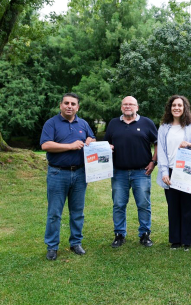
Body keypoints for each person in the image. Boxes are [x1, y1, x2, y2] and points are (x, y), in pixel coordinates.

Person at [40, 93, 96, 261]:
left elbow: (91, 138)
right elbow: (45, 145)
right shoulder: (52, 123)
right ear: (61, 105)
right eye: (66, 103)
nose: (69, 106)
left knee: (77, 211)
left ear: (77, 107)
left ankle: (76, 242)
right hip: (58, 173)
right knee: (54, 213)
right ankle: (52, 246)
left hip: (80, 173)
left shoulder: (83, 123)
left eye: (73, 103)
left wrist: (90, 140)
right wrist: (70, 146)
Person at [103, 96, 158, 248]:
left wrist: (153, 162)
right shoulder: (113, 123)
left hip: (141, 172)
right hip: (119, 172)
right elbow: (106, 143)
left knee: (143, 204)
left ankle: (145, 234)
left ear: (137, 107)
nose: (128, 106)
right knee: (119, 204)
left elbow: (157, 143)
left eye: (131, 104)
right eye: (125, 104)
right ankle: (119, 234)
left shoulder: (147, 123)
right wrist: (107, 148)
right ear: (121, 107)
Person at [156, 95, 191, 251]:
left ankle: (188, 240)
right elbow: (161, 151)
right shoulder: (164, 127)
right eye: (173, 105)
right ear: (170, 108)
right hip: (170, 171)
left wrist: (189, 144)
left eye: (180, 105)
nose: (176, 108)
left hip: (188, 171)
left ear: (185, 108)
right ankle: (175, 240)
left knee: (189, 206)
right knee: (173, 206)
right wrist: (164, 172)